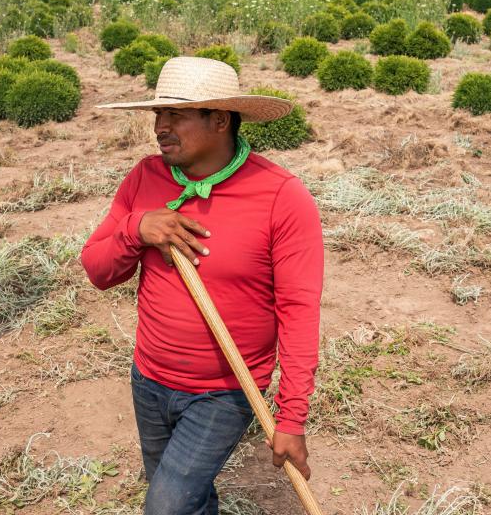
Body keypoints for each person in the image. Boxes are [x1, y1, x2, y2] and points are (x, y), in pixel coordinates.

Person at [81, 57, 323, 514]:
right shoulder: (144, 178)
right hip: (148, 379)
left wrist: (292, 416)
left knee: (166, 507)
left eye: (176, 114)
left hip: (226, 390)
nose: (160, 127)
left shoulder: (281, 197)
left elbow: (299, 311)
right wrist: (137, 228)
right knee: (187, 500)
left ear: (219, 119)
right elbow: (97, 271)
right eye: (157, 114)